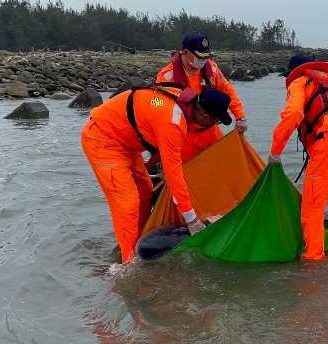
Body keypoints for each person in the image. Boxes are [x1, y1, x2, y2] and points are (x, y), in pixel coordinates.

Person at [81, 85, 233, 264]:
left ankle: (136, 240)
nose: (215, 125)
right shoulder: (173, 121)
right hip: (103, 139)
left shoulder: (183, 104)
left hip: (127, 143)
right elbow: (173, 175)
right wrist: (192, 221)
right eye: (217, 121)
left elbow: (153, 116)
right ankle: (128, 263)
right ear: (205, 115)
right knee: (128, 203)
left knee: (146, 191)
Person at [267, 56, 328, 261]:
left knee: (313, 206)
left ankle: (313, 260)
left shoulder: (299, 81)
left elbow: (293, 114)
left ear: (295, 71)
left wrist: (275, 152)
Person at [156, 32, 248, 161]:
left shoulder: (212, 69)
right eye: (200, 57)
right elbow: (156, 104)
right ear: (185, 52)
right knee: (186, 173)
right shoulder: (166, 76)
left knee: (226, 161)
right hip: (184, 134)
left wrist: (240, 116)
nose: (204, 61)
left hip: (210, 129)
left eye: (206, 56)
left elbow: (228, 91)